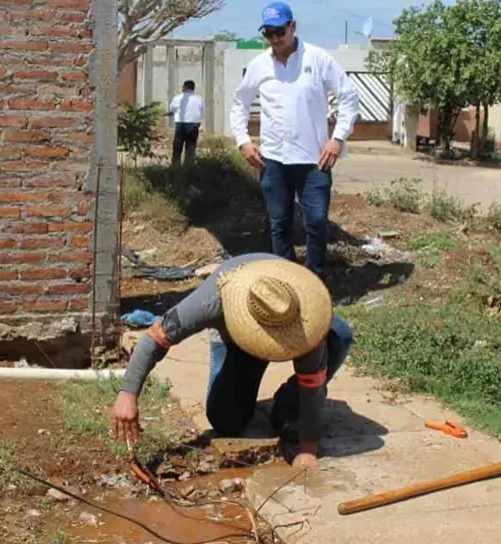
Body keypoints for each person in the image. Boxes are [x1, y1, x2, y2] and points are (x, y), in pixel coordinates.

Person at [110, 253, 355, 469]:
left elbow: (313, 383)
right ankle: (248, 379)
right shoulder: (213, 299)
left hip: (294, 325)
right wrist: (128, 394)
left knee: (339, 335)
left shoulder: (305, 320)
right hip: (237, 345)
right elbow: (154, 338)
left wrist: (308, 448)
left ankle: (288, 406)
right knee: (226, 420)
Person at [228, 2, 360, 280]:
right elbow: (240, 104)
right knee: (279, 224)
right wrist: (243, 141)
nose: (275, 38)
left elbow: (349, 97)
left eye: (280, 31)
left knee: (316, 221)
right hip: (273, 161)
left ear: (293, 27)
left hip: (315, 161)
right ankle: (287, 282)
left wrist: (337, 139)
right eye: (269, 33)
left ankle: (315, 281)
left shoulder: (318, 59)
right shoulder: (259, 65)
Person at [166, 80, 204, 166]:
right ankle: (189, 166)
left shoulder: (177, 98)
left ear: (185, 87)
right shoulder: (199, 99)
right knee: (191, 146)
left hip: (181, 124)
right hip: (194, 124)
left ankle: (176, 165)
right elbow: (201, 112)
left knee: (178, 146)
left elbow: (171, 109)